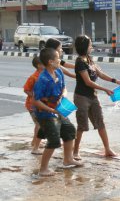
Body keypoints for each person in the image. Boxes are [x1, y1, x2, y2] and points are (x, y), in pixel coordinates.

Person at [73, 35, 120, 160]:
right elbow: (88, 82)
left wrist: (115, 80)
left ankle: (107, 149)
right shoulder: (79, 62)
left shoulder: (89, 60)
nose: (91, 46)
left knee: (100, 122)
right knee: (82, 125)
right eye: (90, 44)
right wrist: (105, 89)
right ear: (85, 46)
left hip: (93, 97)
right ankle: (75, 151)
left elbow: (99, 74)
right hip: (82, 97)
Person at [33, 48, 82, 176]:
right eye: (58, 58)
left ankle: (68, 159)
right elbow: (35, 101)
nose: (60, 60)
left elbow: (64, 88)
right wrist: (50, 109)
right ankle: (43, 169)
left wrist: (63, 96)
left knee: (69, 130)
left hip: (57, 109)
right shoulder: (42, 79)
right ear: (50, 62)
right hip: (44, 113)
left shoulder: (59, 71)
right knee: (54, 140)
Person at [23, 56, 45, 154]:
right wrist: (36, 96)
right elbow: (26, 89)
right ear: (39, 65)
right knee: (39, 124)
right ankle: (35, 145)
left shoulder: (45, 75)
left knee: (39, 124)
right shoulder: (33, 77)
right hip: (32, 105)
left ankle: (34, 142)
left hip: (41, 105)